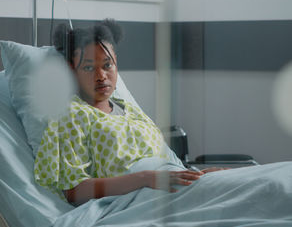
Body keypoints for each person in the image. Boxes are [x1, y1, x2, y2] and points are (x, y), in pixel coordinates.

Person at [34, 19, 224, 206]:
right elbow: (74, 191)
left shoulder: (130, 110)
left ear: (116, 63)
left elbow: (167, 166)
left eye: (107, 65)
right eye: (89, 67)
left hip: (173, 186)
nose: (101, 76)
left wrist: (197, 174)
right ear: (72, 70)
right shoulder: (71, 115)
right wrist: (144, 178)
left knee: (244, 182)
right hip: (139, 198)